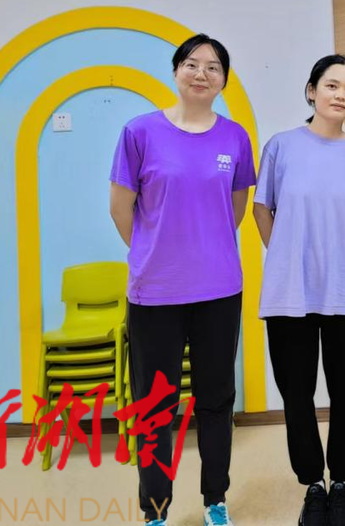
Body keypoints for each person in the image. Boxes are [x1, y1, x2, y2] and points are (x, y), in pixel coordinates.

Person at [109, 34, 255, 526]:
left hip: (219, 290)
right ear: (176, 71)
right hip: (155, 293)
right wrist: (154, 253)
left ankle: (215, 498)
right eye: (192, 64)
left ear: (223, 81)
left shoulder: (234, 137)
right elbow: (121, 208)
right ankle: (155, 508)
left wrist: (202, 249)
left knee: (216, 400)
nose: (201, 73)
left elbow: (234, 209)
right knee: (155, 405)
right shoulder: (139, 132)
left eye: (213, 67)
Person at [253, 54, 345, 526]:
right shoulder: (281, 146)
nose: (341, 95)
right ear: (312, 91)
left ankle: (342, 482)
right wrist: (287, 254)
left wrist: (332, 249)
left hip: (344, 290)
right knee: (297, 392)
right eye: (332, 85)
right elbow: (262, 208)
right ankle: (312, 483)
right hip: (288, 292)